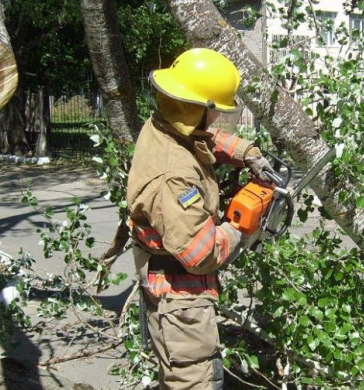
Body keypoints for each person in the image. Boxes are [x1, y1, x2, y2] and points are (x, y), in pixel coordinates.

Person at [126, 48, 275, 389]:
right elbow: (200, 254)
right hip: (181, 302)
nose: (216, 119)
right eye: (213, 110)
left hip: (171, 285)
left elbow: (206, 138)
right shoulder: (173, 176)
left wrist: (246, 154)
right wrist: (241, 226)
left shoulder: (165, 124)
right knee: (193, 380)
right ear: (197, 108)